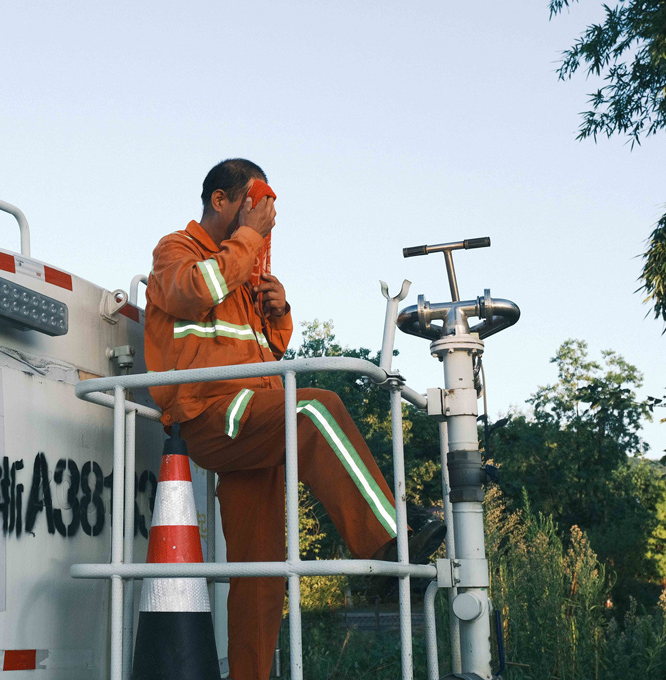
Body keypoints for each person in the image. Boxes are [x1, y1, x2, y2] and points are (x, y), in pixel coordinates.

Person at [144, 158, 444, 680]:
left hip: (256, 426)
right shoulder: (177, 251)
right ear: (221, 201)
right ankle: (392, 532)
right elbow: (190, 293)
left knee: (261, 578)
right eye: (253, 206)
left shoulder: (243, 271)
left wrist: (279, 312)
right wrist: (247, 244)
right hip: (213, 414)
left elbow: (265, 351)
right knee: (314, 406)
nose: (263, 220)